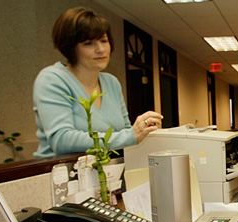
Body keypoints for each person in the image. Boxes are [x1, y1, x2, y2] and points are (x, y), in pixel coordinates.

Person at [33, 7, 163, 158]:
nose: (100, 49)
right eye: (88, 43)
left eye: (104, 41)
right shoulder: (52, 79)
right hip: (61, 174)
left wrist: (143, 131)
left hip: (108, 170)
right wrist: (131, 135)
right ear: (70, 47)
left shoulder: (111, 82)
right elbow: (62, 140)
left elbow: (126, 131)